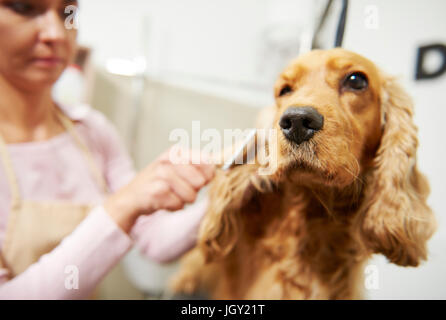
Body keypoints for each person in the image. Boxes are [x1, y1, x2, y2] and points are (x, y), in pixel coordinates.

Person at [0, 0, 214, 299]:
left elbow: (156, 240)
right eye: (25, 8)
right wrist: (123, 205)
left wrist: (230, 190)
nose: (56, 34)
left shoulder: (92, 131)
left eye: (67, 14)